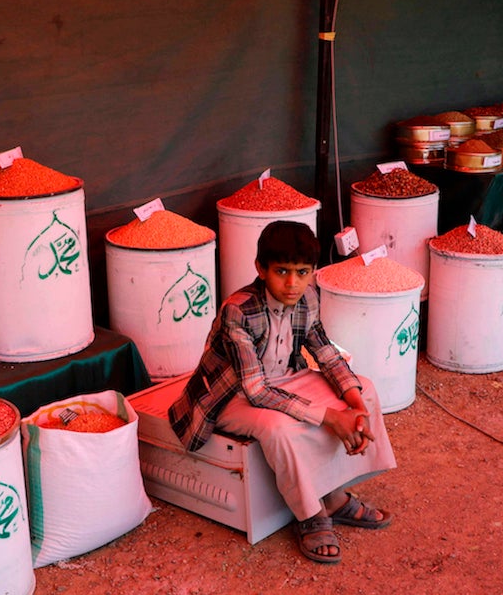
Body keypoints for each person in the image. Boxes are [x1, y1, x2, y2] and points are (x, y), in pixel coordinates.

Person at [169, 220, 396, 564]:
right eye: (282, 271)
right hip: (232, 396)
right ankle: (311, 514)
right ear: (261, 269)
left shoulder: (307, 298)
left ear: (313, 272)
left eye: (302, 272)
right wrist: (332, 417)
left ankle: (333, 496)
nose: (292, 283)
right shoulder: (238, 310)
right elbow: (257, 391)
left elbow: (325, 353)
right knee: (280, 428)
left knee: (366, 388)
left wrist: (354, 407)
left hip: (287, 380)